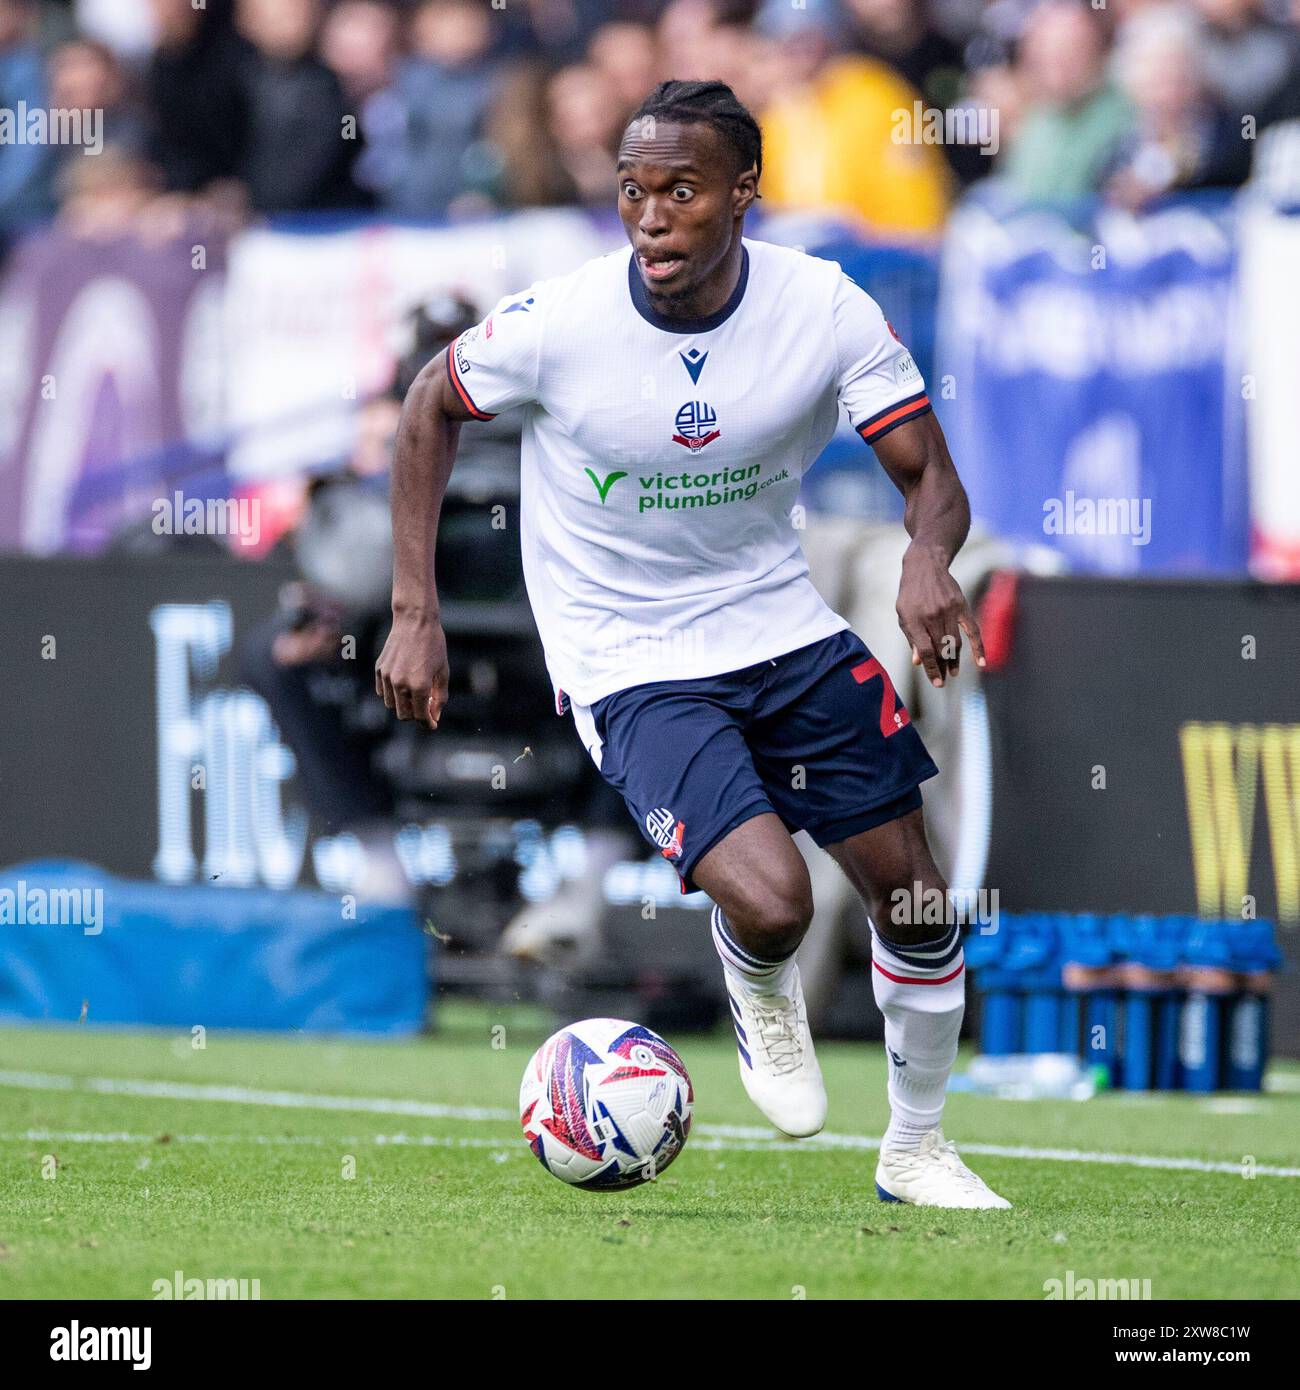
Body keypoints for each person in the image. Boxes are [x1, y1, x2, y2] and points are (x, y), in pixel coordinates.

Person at [376, 79, 1009, 1209]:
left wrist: (925, 564)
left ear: (743, 196)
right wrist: (415, 610)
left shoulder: (822, 308)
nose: (652, 216)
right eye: (632, 191)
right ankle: (755, 973)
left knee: (914, 899)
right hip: (628, 654)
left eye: (680, 190)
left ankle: (915, 1148)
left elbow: (933, 482)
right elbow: (429, 402)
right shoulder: (561, 324)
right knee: (774, 901)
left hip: (779, 623)